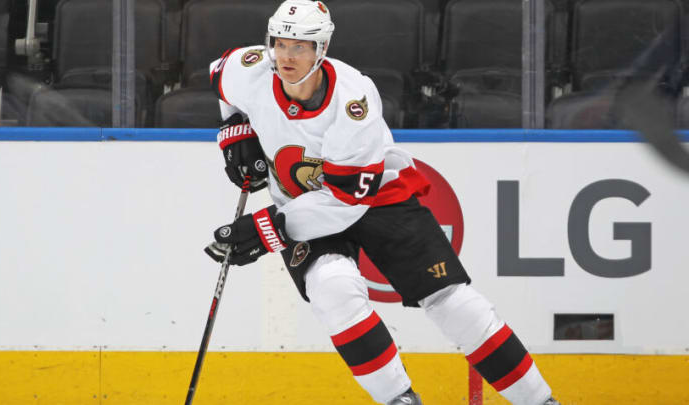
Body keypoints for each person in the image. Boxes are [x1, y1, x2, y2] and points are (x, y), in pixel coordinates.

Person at [204, 1, 560, 404]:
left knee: (452, 301)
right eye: (280, 43)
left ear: (321, 49)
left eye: (300, 46)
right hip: (301, 201)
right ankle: (399, 399)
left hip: (375, 198)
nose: (286, 56)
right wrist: (236, 129)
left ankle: (538, 400)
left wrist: (268, 228)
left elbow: (344, 202)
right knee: (333, 289)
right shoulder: (250, 70)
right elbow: (219, 75)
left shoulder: (354, 99)